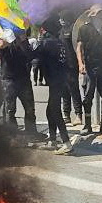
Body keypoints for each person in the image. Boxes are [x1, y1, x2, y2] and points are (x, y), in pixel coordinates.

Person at [0, 29, 43, 139]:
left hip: (23, 79)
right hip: (9, 79)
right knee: (10, 110)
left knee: (30, 108)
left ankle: (31, 133)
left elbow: (30, 55)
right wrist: (8, 38)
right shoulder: (4, 37)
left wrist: (22, 39)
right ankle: (12, 135)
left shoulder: (23, 41)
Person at [76, 4, 102, 136]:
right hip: (90, 66)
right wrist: (81, 64)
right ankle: (87, 125)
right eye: (99, 14)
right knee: (88, 96)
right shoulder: (84, 29)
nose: (101, 16)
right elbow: (79, 47)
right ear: (92, 15)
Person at [35, 16, 71, 154]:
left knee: (55, 111)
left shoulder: (47, 43)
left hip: (55, 81)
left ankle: (66, 143)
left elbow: (31, 56)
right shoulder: (60, 42)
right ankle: (52, 140)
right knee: (50, 110)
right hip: (60, 80)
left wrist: (21, 42)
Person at [59, 13, 83, 126]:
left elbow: (77, 45)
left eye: (63, 18)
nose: (61, 20)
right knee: (64, 90)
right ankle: (66, 115)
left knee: (74, 89)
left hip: (72, 64)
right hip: (62, 65)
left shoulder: (73, 29)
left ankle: (78, 114)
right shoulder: (60, 31)